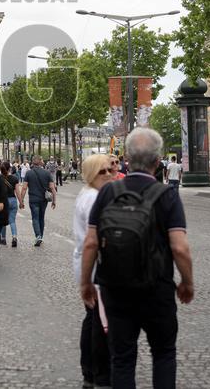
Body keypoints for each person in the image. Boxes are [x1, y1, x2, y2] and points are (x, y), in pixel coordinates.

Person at [79, 128, 194, 389]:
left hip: (115, 287)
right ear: (158, 161)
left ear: (127, 159)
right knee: (164, 354)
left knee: (122, 359)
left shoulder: (107, 192)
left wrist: (86, 283)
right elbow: (180, 248)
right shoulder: (167, 195)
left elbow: (91, 243)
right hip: (157, 287)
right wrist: (187, 282)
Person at [73, 154, 117, 389]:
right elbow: (96, 238)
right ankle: (98, 373)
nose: (109, 174)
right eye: (103, 171)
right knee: (99, 323)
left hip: (88, 262)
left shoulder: (89, 193)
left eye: (110, 169)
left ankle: (90, 371)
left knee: (93, 320)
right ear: (91, 174)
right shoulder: (93, 198)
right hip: (94, 265)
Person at [24, 157, 57, 247]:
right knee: (41, 218)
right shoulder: (47, 173)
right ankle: (40, 237)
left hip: (33, 199)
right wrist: (54, 201)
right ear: (40, 163)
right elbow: (52, 188)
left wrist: (21, 200)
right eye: (42, 160)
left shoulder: (29, 173)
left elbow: (24, 188)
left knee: (35, 218)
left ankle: (38, 236)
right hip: (43, 200)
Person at [0, 161, 21, 249]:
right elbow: (17, 192)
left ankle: (3, 238)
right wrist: (21, 202)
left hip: (3, 201)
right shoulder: (15, 178)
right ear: (10, 169)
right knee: (12, 221)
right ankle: (14, 237)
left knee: (2, 220)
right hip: (13, 200)